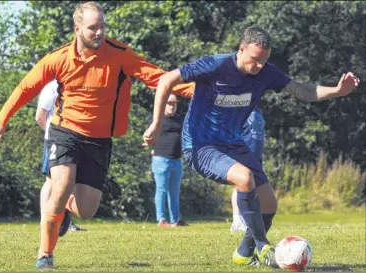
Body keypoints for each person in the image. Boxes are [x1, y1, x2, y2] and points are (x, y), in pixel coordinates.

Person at [0, 1, 193, 269]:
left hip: (98, 140)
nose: (99, 32)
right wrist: (0, 122)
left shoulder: (119, 54)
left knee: (86, 210)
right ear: (77, 28)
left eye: (102, 27)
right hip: (64, 131)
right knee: (61, 186)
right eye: (93, 27)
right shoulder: (59, 58)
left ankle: (62, 214)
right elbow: (26, 87)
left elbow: (157, 77)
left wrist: (199, 91)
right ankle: (45, 254)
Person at [143, 25, 359, 268]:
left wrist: (338, 91)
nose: (258, 67)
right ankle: (262, 246)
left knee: (269, 204)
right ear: (241, 48)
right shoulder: (216, 65)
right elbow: (166, 79)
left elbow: (302, 90)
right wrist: (156, 124)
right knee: (245, 178)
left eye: (263, 61)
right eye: (254, 60)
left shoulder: (266, 72)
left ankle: (244, 253)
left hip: (234, 144)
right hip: (200, 145)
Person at [35, 80, 86, 233]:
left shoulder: (77, 84)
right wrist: (52, 135)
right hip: (55, 140)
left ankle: (63, 221)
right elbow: (40, 116)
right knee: (51, 181)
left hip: (75, 139)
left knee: (69, 181)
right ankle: (46, 220)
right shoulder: (52, 86)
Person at [150, 94, 187, 228]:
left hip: (176, 160)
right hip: (161, 159)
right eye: (169, 103)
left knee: (174, 191)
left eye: (174, 103)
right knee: (161, 190)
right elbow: (148, 136)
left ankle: (176, 220)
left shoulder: (180, 120)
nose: (172, 106)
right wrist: (151, 148)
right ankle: (161, 219)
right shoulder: (157, 120)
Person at [230, 106, 265, 232]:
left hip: (256, 157)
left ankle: (249, 219)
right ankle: (237, 220)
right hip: (243, 155)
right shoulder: (239, 109)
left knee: (255, 189)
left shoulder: (257, 110)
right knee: (240, 187)